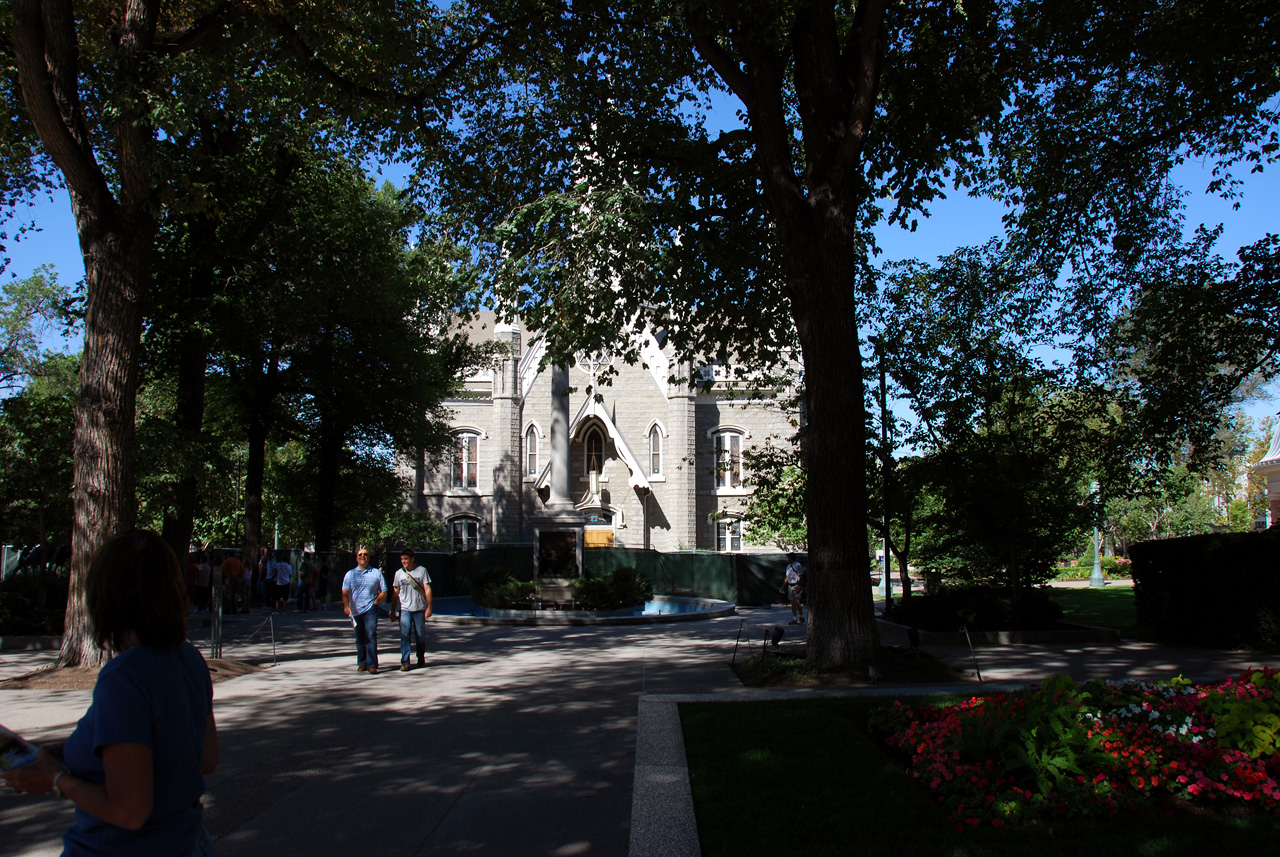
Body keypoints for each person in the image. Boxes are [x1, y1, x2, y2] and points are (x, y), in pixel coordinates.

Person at [1, 529, 218, 856]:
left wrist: (55, 780)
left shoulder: (124, 678)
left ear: (105, 595)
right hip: (188, 842)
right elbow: (204, 758)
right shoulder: (189, 658)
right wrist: (70, 750)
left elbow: (130, 812)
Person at [342, 549, 387, 674]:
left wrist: (377, 602)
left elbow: (384, 590)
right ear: (356, 558)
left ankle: (372, 664)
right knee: (360, 637)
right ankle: (362, 663)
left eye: (365, 554)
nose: (363, 556)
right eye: (360, 554)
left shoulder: (376, 573)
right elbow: (345, 592)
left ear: (369, 557)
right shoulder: (350, 574)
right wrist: (346, 606)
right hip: (356, 610)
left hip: (370, 609)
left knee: (371, 634)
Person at [392, 549, 433, 671]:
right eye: (402, 559)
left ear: (412, 559)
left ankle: (420, 655)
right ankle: (405, 662)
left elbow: (427, 589)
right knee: (405, 635)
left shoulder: (422, 571)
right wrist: (393, 610)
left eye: (406, 559)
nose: (403, 561)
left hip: (419, 608)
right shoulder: (398, 573)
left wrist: (429, 607)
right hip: (405, 609)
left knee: (420, 636)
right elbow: (395, 593)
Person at [784, 553, 806, 625]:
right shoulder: (788, 566)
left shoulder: (797, 565)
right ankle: (794, 618)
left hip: (796, 585)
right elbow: (787, 577)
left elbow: (801, 576)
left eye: (789, 557)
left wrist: (799, 586)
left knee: (797, 601)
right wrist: (783, 586)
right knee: (792, 602)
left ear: (792, 558)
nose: (788, 559)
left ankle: (801, 617)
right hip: (790, 585)